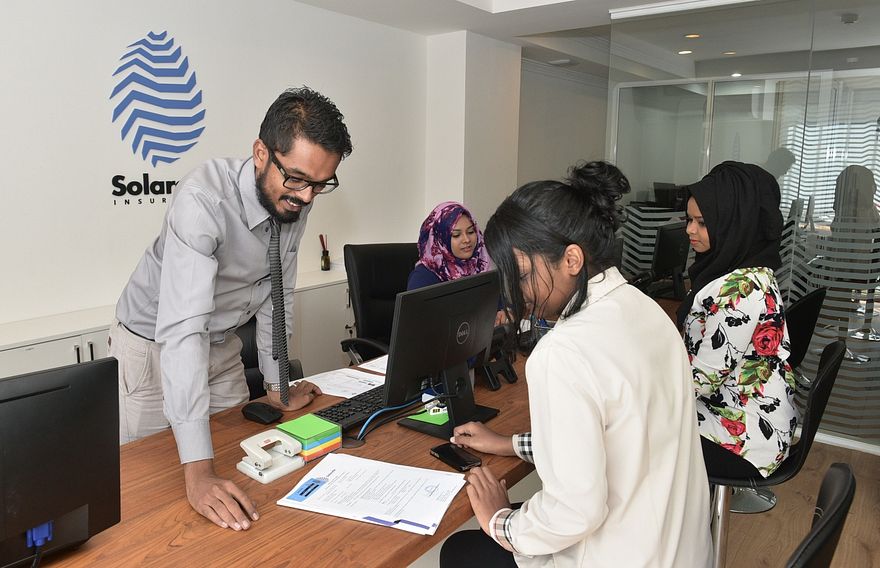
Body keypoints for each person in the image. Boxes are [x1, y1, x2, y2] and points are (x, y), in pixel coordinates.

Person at [440, 162, 712, 567]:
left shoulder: (563, 351)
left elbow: (574, 511)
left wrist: (500, 521)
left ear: (571, 259)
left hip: (621, 556)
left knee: (460, 551)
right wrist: (508, 443)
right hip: (682, 552)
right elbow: (618, 435)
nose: (515, 294)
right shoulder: (647, 310)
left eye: (522, 276)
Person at [110, 87, 352, 531]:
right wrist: (198, 471)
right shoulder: (202, 201)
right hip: (154, 351)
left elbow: (277, 296)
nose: (306, 197)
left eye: (320, 184)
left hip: (221, 346)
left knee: (251, 465)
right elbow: (183, 332)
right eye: (297, 179)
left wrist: (278, 386)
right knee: (153, 495)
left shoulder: (293, 198)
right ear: (261, 153)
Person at [678, 161, 797, 478]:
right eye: (689, 219)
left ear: (733, 224)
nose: (690, 230)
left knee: (633, 431)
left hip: (746, 438)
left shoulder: (742, 291)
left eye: (702, 223)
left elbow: (700, 382)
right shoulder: (750, 270)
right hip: (743, 413)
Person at [407, 201, 491, 290]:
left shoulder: (481, 266)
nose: (467, 240)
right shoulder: (422, 279)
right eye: (456, 235)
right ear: (440, 240)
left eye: (470, 232)